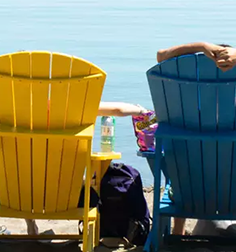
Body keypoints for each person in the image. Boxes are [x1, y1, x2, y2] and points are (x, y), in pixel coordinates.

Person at [155, 42, 236, 237]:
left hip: (190, 192)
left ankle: (178, 230)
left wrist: (201, 46)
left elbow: (161, 56)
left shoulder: (186, 109)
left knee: (181, 154)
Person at [24, 101, 147, 236]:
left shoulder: (20, 108)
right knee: (85, 182)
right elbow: (117, 110)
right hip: (70, 197)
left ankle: (31, 223)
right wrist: (140, 110)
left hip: (22, 197)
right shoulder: (77, 105)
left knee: (27, 170)